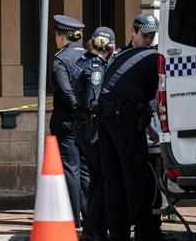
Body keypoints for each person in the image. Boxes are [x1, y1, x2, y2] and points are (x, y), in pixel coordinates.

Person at [96, 37, 170, 241]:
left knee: (114, 178)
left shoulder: (134, 54)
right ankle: (145, 232)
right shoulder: (159, 60)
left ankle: (118, 233)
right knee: (136, 177)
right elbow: (160, 101)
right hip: (122, 118)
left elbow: (132, 96)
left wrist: (146, 127)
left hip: (106, 116)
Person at [71, 27, 116, 241]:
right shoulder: (97, 68)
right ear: (110, 46)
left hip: (82, 127)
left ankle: (93, 228)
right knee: (103, 177)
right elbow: (93, 103)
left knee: (97, 177)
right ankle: (94, 229)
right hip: (92, 129)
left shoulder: (83, 60)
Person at [49, 14, 88, 228]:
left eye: (57, 35)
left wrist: (75, 105)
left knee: (70, 168)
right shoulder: (88, 56)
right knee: (84, 168)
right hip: (85, 121)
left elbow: (64, 89)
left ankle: (73, 217)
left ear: (62, 36)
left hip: (66, 119)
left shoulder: (61, 58)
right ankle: (90, 213)